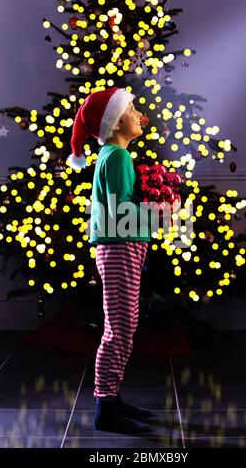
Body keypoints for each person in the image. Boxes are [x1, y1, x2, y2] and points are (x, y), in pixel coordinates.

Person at [68, 87, 161, 434]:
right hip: (120, 245)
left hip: (122, 245)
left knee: (125, 324)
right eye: (133, 108)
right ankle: (105, 406)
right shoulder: (117, 157)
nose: (139, 114)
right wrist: (158, 207)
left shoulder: (114, 154)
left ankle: (113, 397)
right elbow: (121, 209)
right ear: (117, 120)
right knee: (119, 328)